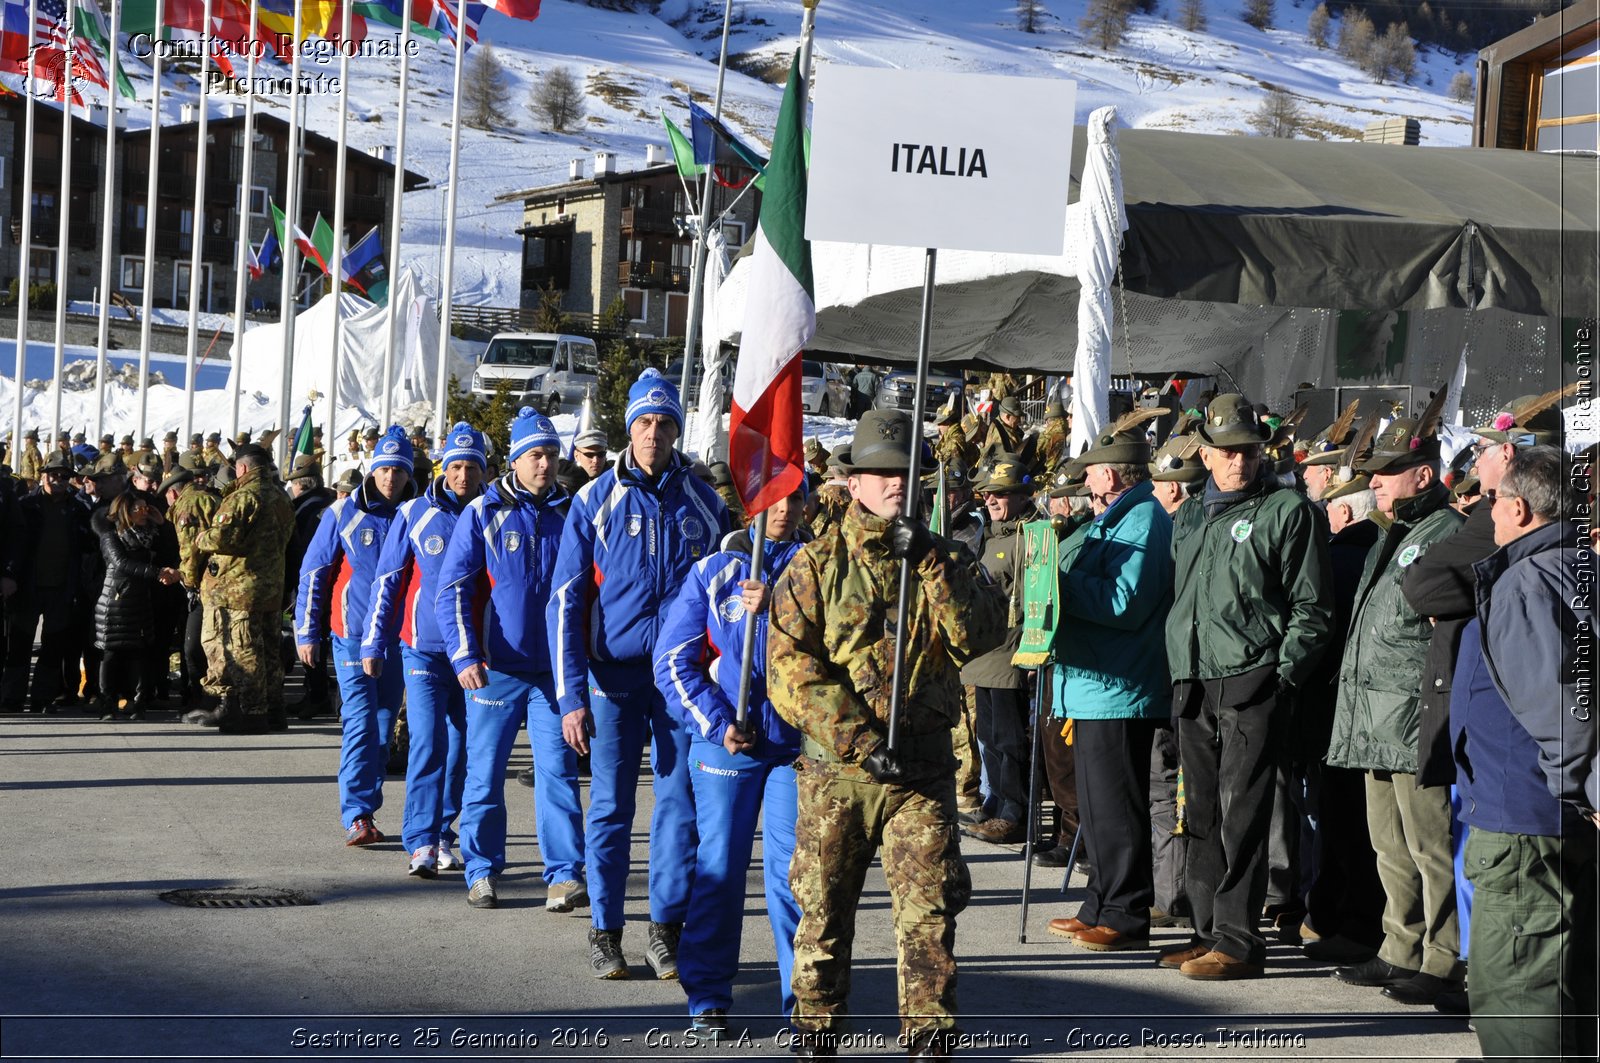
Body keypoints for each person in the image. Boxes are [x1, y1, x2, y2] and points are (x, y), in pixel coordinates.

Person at [767, 407, 1005, 1057]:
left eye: (907, 472)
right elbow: (790, 670)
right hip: (839, 770)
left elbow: (981, 636)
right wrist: (859, 741)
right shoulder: (814, 565)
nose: (896, 482)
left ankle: (929, 1030)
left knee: (928, 909)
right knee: (823, 908)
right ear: (853, 481)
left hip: (922, 767)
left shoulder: (947, 556)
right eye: (881, 472)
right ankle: (816, 1026)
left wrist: (932, 561)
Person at [548, 368, 729, 979]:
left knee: (678, 808)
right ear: (630, 429)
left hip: (680, 681)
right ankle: (605, 929)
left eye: (665, 423)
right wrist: (570, 696)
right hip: (613, 679)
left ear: (678, 430)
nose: (654, 433)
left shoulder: (705, 504)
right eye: (644, 423)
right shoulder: (593, 500)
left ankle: (665, 930)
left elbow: (725, 600)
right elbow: (566, 602)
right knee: (611, 807)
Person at [1162, 394, 1332, 980]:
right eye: (1228, 451)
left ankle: (1239, 939)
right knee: (1201, 812)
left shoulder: (1289, 510)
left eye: (1249, 450)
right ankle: (1206, 930)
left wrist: (1282, 674)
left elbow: (1313, 609)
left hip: (1253, 678)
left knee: (1245, 811)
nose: (1240, 460)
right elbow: (1182, 598)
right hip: (1193, 679)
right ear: (1205, 454)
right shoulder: (1186, 515)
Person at [1458, 444, 1597, 1063]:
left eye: (1492, 500)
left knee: (1518, 989)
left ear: (1516, 508)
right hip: (1554, 810)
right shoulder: (1577, 564)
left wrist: (1580, 787)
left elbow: (1560, 705)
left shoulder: (1526, 578)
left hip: (1529, 818)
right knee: (1561, 982)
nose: (1488, 511)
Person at [1325, 401, 1466, 1005]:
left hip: (1412, 715)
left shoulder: (1448, 533)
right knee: (1387, 844)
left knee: (1430, 846)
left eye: (1387, 470)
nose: (1374, 480)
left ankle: (1443, 960)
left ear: (1425, 476)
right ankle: (1398, 947)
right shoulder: (1396, 532)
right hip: (1373, 715)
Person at [654, 484, 808, 1032]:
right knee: (719, 868)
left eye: (796, 499)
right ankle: (708, 996)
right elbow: (673, 661)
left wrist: (783, 606)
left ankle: (803, 1004)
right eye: (776, 500)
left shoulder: (820, 570)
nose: (785, 511)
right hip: (730, 746)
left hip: (795, 749)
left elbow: (846, 647)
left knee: (796, 878)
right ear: (754, 506)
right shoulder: (714, 571)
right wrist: (719, 724)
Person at [438, 411, 587, 910]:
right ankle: (480, 868)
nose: (544, 464)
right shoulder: (483, 511)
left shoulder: (574, 510)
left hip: (553, 675)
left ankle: (564, 874)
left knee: (558, 772)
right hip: (496, 670)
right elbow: (453, 589)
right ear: (516, 460)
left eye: (550, 455)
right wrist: (464, 654)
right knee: (485, 773)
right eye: (535, 456)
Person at [1046, 412, 1174, 952]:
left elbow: (1123, 601)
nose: (1087, 477)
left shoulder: (1142, 518)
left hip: (1121, 687)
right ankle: (1099, 900)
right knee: (1097, 807)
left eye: (1093, 469)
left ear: (1114, 473)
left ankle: (1125, 914)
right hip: (1096, 683)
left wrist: (1060, 586)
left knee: (1117, 805)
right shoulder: (1114, 517)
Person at [365, 423, 489, 880]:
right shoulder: (415, 512)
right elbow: (389, 580)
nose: (463, 475)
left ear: (483, 470)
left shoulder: (491, 511)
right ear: (442, 468)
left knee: (463, 748)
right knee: (427, 743)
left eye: (471, 466)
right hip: (423, 650)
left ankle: (443, 833)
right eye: (455, 466)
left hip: (474, 654)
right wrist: (374, 641)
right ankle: (419, 841)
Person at [296, 426, 415, 840]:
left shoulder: (417, 512)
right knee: (361, 723)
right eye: (383, 469)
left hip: (398, 640)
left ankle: (368, 806)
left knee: (384, 731)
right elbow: (314, 573)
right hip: (350, 635)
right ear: (372, 468)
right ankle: (358, 815)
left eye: (398, 471)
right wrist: (306, 631)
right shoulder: (342, 513)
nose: (390, 478)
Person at [1293, 474, 1386, 966]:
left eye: (1328, 510)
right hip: (1362, 712)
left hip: (1335, 711)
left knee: (1340, 821)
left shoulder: (1341, 559)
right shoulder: (1376, 553)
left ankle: (1341, 918)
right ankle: (1334, 915)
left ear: (1344, 513)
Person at [183, 443, 295, 734]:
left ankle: (252, 713)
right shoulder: (282, 497)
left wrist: (201, 537)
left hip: (239, 590)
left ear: (242, 467)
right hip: (271, 588)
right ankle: (274, 711)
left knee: (244, 651)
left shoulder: (244, 496)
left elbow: (222, 538)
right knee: (269, 651)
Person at [959, 454, 1039, 845]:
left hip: (1009, 653)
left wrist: (1030, 651)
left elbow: (1032, 599)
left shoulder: (1031, 537)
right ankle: (995, 804)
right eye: (987, 493)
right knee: (988, 736)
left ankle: (1015, 812)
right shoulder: (987, 534)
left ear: (1023, 496)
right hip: (984, 653)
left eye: (1002, 494)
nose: (991, 500)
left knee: (1009, 740)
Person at [2, 453, 93, 713]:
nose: (59, 479)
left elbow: (87, 547)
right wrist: (9, 576)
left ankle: (43, 698)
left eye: (65, 476)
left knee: (53, 647)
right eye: (54, 474)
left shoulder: (78, 510)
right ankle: (12, 698)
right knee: (19, 645)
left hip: (62, 588)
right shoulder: (25, 505)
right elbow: (12, 542)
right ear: (43, 475)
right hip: (27, 585)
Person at [93, 493, 180, 720]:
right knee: (110, 654)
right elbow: (122, 563)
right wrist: (156, 572)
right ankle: (108, 703)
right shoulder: (111, 536)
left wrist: (163, 524)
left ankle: (140, 702)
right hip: (116, 602)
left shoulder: (151, 534)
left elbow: (171, 550)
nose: (144, 513)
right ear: (124, 512)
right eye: (138, 509)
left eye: (145, 508)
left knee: (141, 654)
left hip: (141, 602)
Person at [284, 456, 335, 720]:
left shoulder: (306, 510)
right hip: (328, 585)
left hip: (311, 584)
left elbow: (301, 552)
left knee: (309, 640)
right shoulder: (326, 503)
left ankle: (318, 696)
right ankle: (315, 693)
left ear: (299, 484)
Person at [168, 455, 221, 706]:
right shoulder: (212, 498)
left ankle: (199, 697)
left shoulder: (186, 505)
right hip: (222, 581)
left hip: (202, 586)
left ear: (173, 494)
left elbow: (190, 551)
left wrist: (187, 582)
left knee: (194, 645)